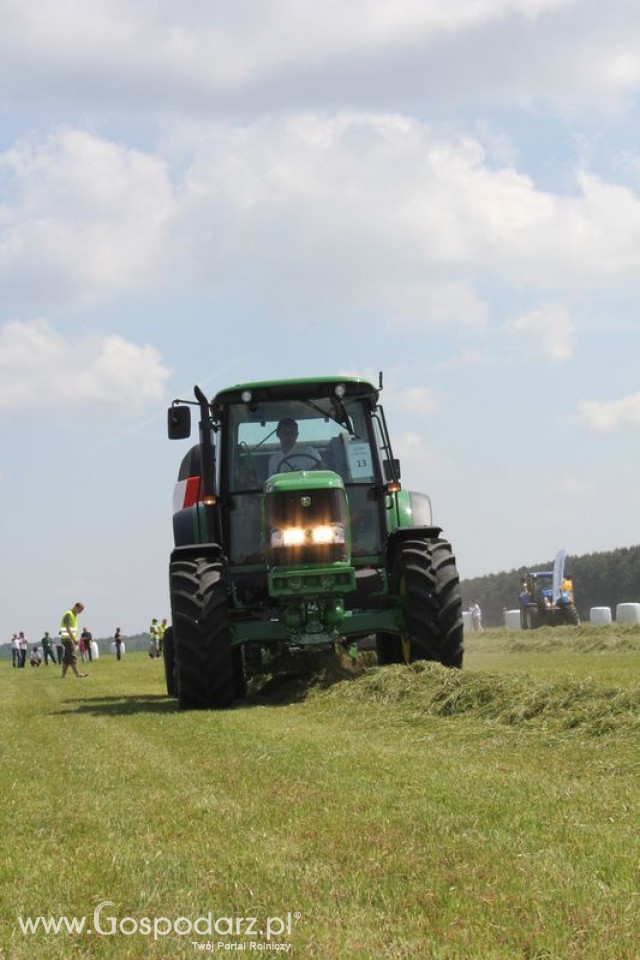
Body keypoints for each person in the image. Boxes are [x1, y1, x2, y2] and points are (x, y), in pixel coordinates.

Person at [59, 602, 88, 679]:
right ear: (75, 607)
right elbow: (68, 628)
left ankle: (63, 675)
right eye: (80, 610)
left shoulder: (74, 615)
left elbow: (73, 629)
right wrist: (74, 639)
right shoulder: (69, 614)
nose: (80, 612)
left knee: (67, 658)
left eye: (81, 611)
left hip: (68, 638)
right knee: (72, 656)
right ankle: (78, 674)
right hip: (67, 638)